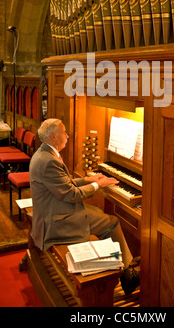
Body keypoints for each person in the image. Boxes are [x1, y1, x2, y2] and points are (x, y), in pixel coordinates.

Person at [29, 118, 140, 296]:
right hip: (55, 222)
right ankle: (127, 274)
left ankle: (120, 264)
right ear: (53, 136)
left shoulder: (44, 153)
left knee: (97, 212)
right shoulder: (49, 161)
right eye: (64, 133)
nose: (67, 136)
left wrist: (90, 179)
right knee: (111, 222)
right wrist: (98, 185)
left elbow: (64, 184)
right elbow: (71, 194)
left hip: (53, 211)